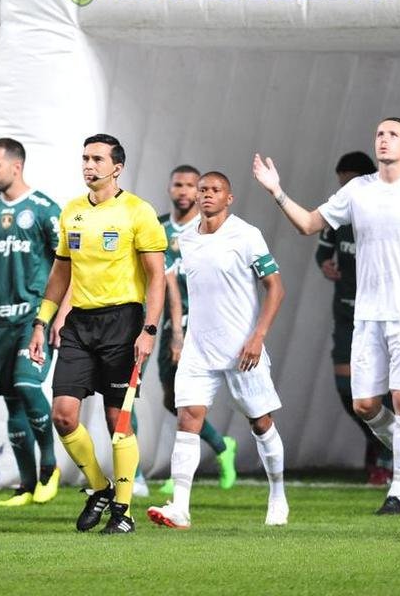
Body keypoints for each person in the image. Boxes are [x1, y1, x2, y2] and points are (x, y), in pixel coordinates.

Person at [253, 117, 400, 515]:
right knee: (364, 405)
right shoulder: (357, 190)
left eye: (393, 135)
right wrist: (277, 191)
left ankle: (398, 491)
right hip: (368, 314)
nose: (384, 140)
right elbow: (309, 224)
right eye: (380, 134)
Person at [29, 133, 166, 535]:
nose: (89, 165)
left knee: (117, 420)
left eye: (97, 159)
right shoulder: (71, 212)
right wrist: (42, 321)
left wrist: (149, 330)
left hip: (123, 323)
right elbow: (61, 272)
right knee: (63, 415)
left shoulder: (139, 213)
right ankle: (100, 488)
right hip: (79, 324)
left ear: (116, 168)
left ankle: (123, 512)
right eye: (85, 158)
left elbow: (157, 277)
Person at [147, 172, 287, 529]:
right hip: (199, 347)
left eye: (215, 190)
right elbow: (172, 284)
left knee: (261, 423)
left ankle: (277, 495)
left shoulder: (246, 235)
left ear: (229, 198)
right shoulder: (186, 237)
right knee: (187, 418)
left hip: (242, 348)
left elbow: (275, 289)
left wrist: (257, 337)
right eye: (203, 190)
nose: (207, 195)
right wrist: (177, 332)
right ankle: (180, 507)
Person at [0, 138, 65, 506]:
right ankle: (25, 486)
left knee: (27, 383)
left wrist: (60, 314)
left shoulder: (43, 209)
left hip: (34, 318)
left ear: (16, 166)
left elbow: (66, 266)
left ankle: (49, 466)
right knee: (12, 401)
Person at [157, 164, 236, 497]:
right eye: (179, 185)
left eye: (191, 185)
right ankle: (221, 445)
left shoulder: (211, 229)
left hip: (201, 324)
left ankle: (181, 474)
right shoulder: (158, 228)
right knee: (171, 399)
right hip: (168, 324)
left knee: (188, 398)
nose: (185, 191)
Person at [313, 151, 390, 485]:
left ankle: (389, 454)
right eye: (340, 182)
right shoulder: (338, 215)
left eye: (350, 181)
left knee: (381, 388)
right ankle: (378, 441)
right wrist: (325, 264)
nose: (344, 188)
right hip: (346, 310)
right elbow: (322, 251)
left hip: (382, 312)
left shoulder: (384, 213)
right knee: (349, 390)